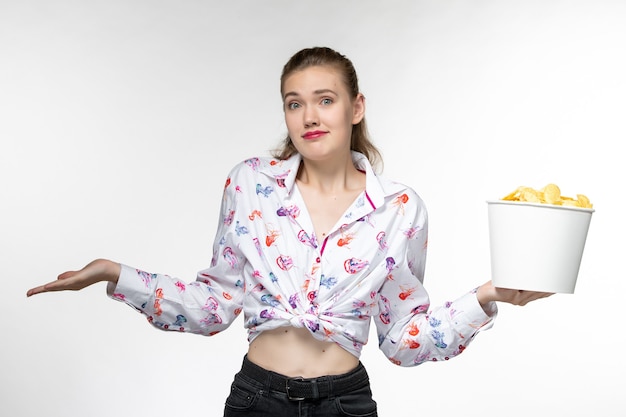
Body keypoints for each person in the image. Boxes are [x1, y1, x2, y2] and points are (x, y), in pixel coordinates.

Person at [27, 46, 551, 416]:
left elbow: (401, 340)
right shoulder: (251, 185)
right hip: (257, 399)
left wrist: (488, 295)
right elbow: (213, 306)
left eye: (325, 99)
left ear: (356, 107)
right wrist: (112, 274)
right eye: (294, 102)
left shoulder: (400, 208)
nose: (309, 116)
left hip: (345, 403)